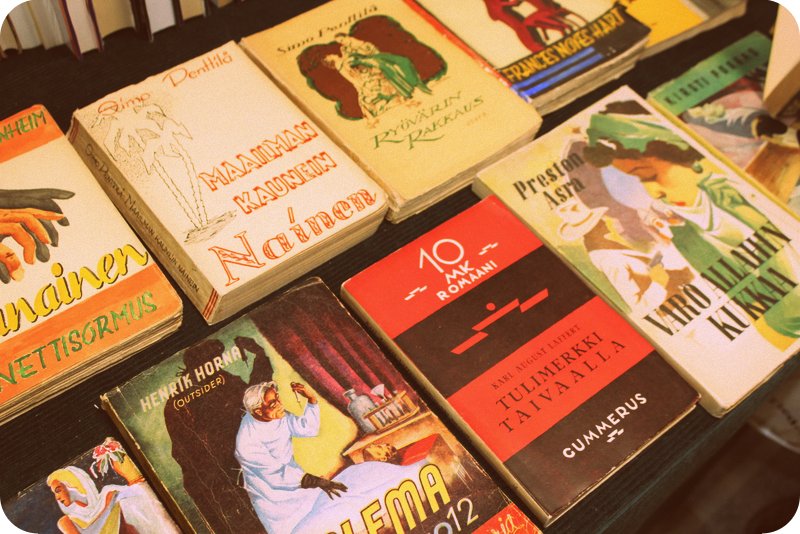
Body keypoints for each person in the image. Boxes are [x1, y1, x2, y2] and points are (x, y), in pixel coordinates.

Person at [583, 101, 800, 347]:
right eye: (640, 181)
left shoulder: (745, 184)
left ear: (677, 154)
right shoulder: (686, 238)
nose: (654, 193)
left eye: (650, 175)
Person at [235, 381, 431, 533]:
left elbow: (307, 428)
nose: (280, 404)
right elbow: (276, 475)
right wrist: (318, 482)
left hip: (305, 488)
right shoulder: (247, 443)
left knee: (356, 482)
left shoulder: (276, 413)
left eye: (278, 398)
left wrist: (312, 401)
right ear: (258, 411)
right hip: (280, 504)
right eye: (273, 403)